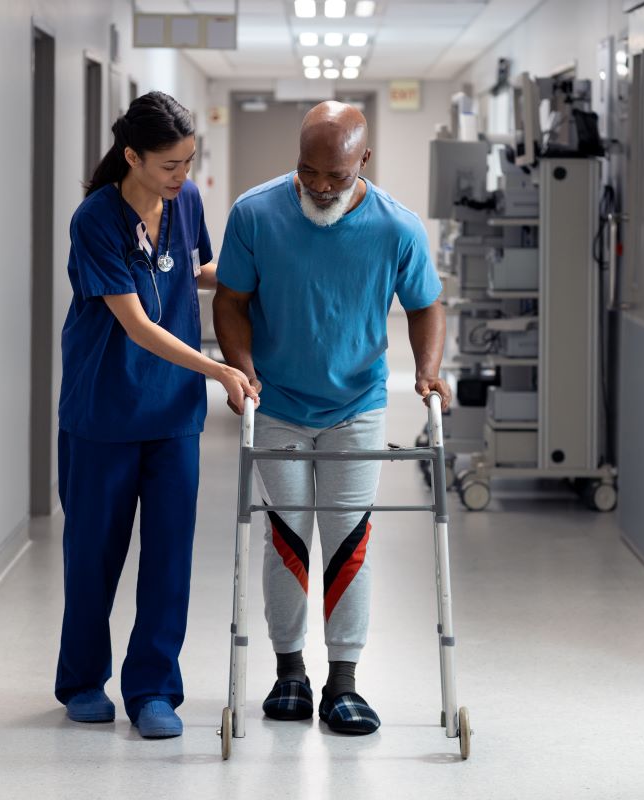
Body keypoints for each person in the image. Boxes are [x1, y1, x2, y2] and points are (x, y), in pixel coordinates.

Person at [213, 100, 451, 736]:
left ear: (362, 161)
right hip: (280, 404)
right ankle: (289, 671)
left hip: (357, 406)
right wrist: (241, 368)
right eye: (308, 171)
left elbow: (426, 305)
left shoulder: (397, 228)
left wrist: (427, 370)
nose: (319, 186)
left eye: (336, 176)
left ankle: (343, 681)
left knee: (349, 542)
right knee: (288, 538)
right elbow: (231, 301)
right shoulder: (256, 213)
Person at [55, 91, 257, 739]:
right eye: (169, 165)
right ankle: (84, 680)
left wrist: (260, 275)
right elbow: (138, 324)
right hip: (104, 410)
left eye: (189, 162)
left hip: (172, 414)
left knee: (170, 558)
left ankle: (153, 691)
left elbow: (194, 270)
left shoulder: (185, 202)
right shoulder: (94, 219)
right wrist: (221, 368)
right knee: (95, 555)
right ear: (132, 156)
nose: (183, 177)